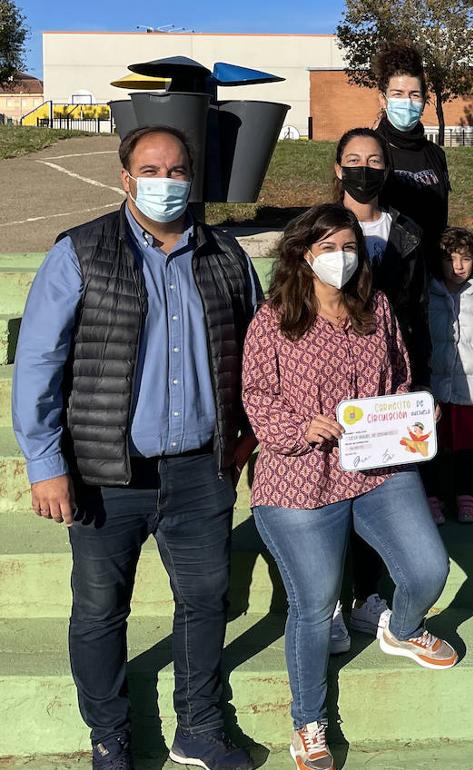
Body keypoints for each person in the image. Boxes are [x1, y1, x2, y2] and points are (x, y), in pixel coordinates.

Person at [12, 125, 260, 770]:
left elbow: (257, 353)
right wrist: (46, 465)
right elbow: (38, 363)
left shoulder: (226, 256)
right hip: (105, 472)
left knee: (205, 601)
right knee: (100, 610)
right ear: (125, 178)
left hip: (201, 472)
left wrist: (249, 434)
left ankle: (199, 727)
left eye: (176, 171)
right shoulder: (79, 252)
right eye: (150, 170)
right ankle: (110, 736)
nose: (164, 182)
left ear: (192, 179)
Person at [242, 204, 456, 770]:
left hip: (377, 468)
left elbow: (400, 377)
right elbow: (256, 396)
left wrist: (415, 413)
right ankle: (308, 720)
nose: (340, 258)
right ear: (302, 254)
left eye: (349, 247)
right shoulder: (273, 319)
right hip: (300, 477)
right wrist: (300, 428)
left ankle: (400, 627)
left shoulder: (376, 307)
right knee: (314, 605)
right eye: (327, 248)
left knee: (428, 569)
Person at [330, 126, 429, 648]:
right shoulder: (319, 229)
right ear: (338, 168)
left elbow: (419, 311)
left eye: (374, 161)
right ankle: (328, 602)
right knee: (328, 494)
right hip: (326, 382)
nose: (363, 170)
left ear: (386, 170)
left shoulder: (408, 233)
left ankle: (368, 596)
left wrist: (422, 388)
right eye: (354, 159)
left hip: (390, 383)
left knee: (376, 486)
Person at [426, 227, 473, 523]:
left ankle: (467, 499)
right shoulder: (429, 295)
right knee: (431, 448)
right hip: (436, 386)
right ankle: (432, 500)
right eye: (450, 259)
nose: (458, 266)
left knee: (467, 450)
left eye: (465, 259)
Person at [372, 44, 450, 261]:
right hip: (386, 266)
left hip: (429, 268)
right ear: (383, 99)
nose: (407, 102)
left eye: (414, 94)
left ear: (424, 101)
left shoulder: (435, 154)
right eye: (397, 94)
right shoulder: (370, 150)